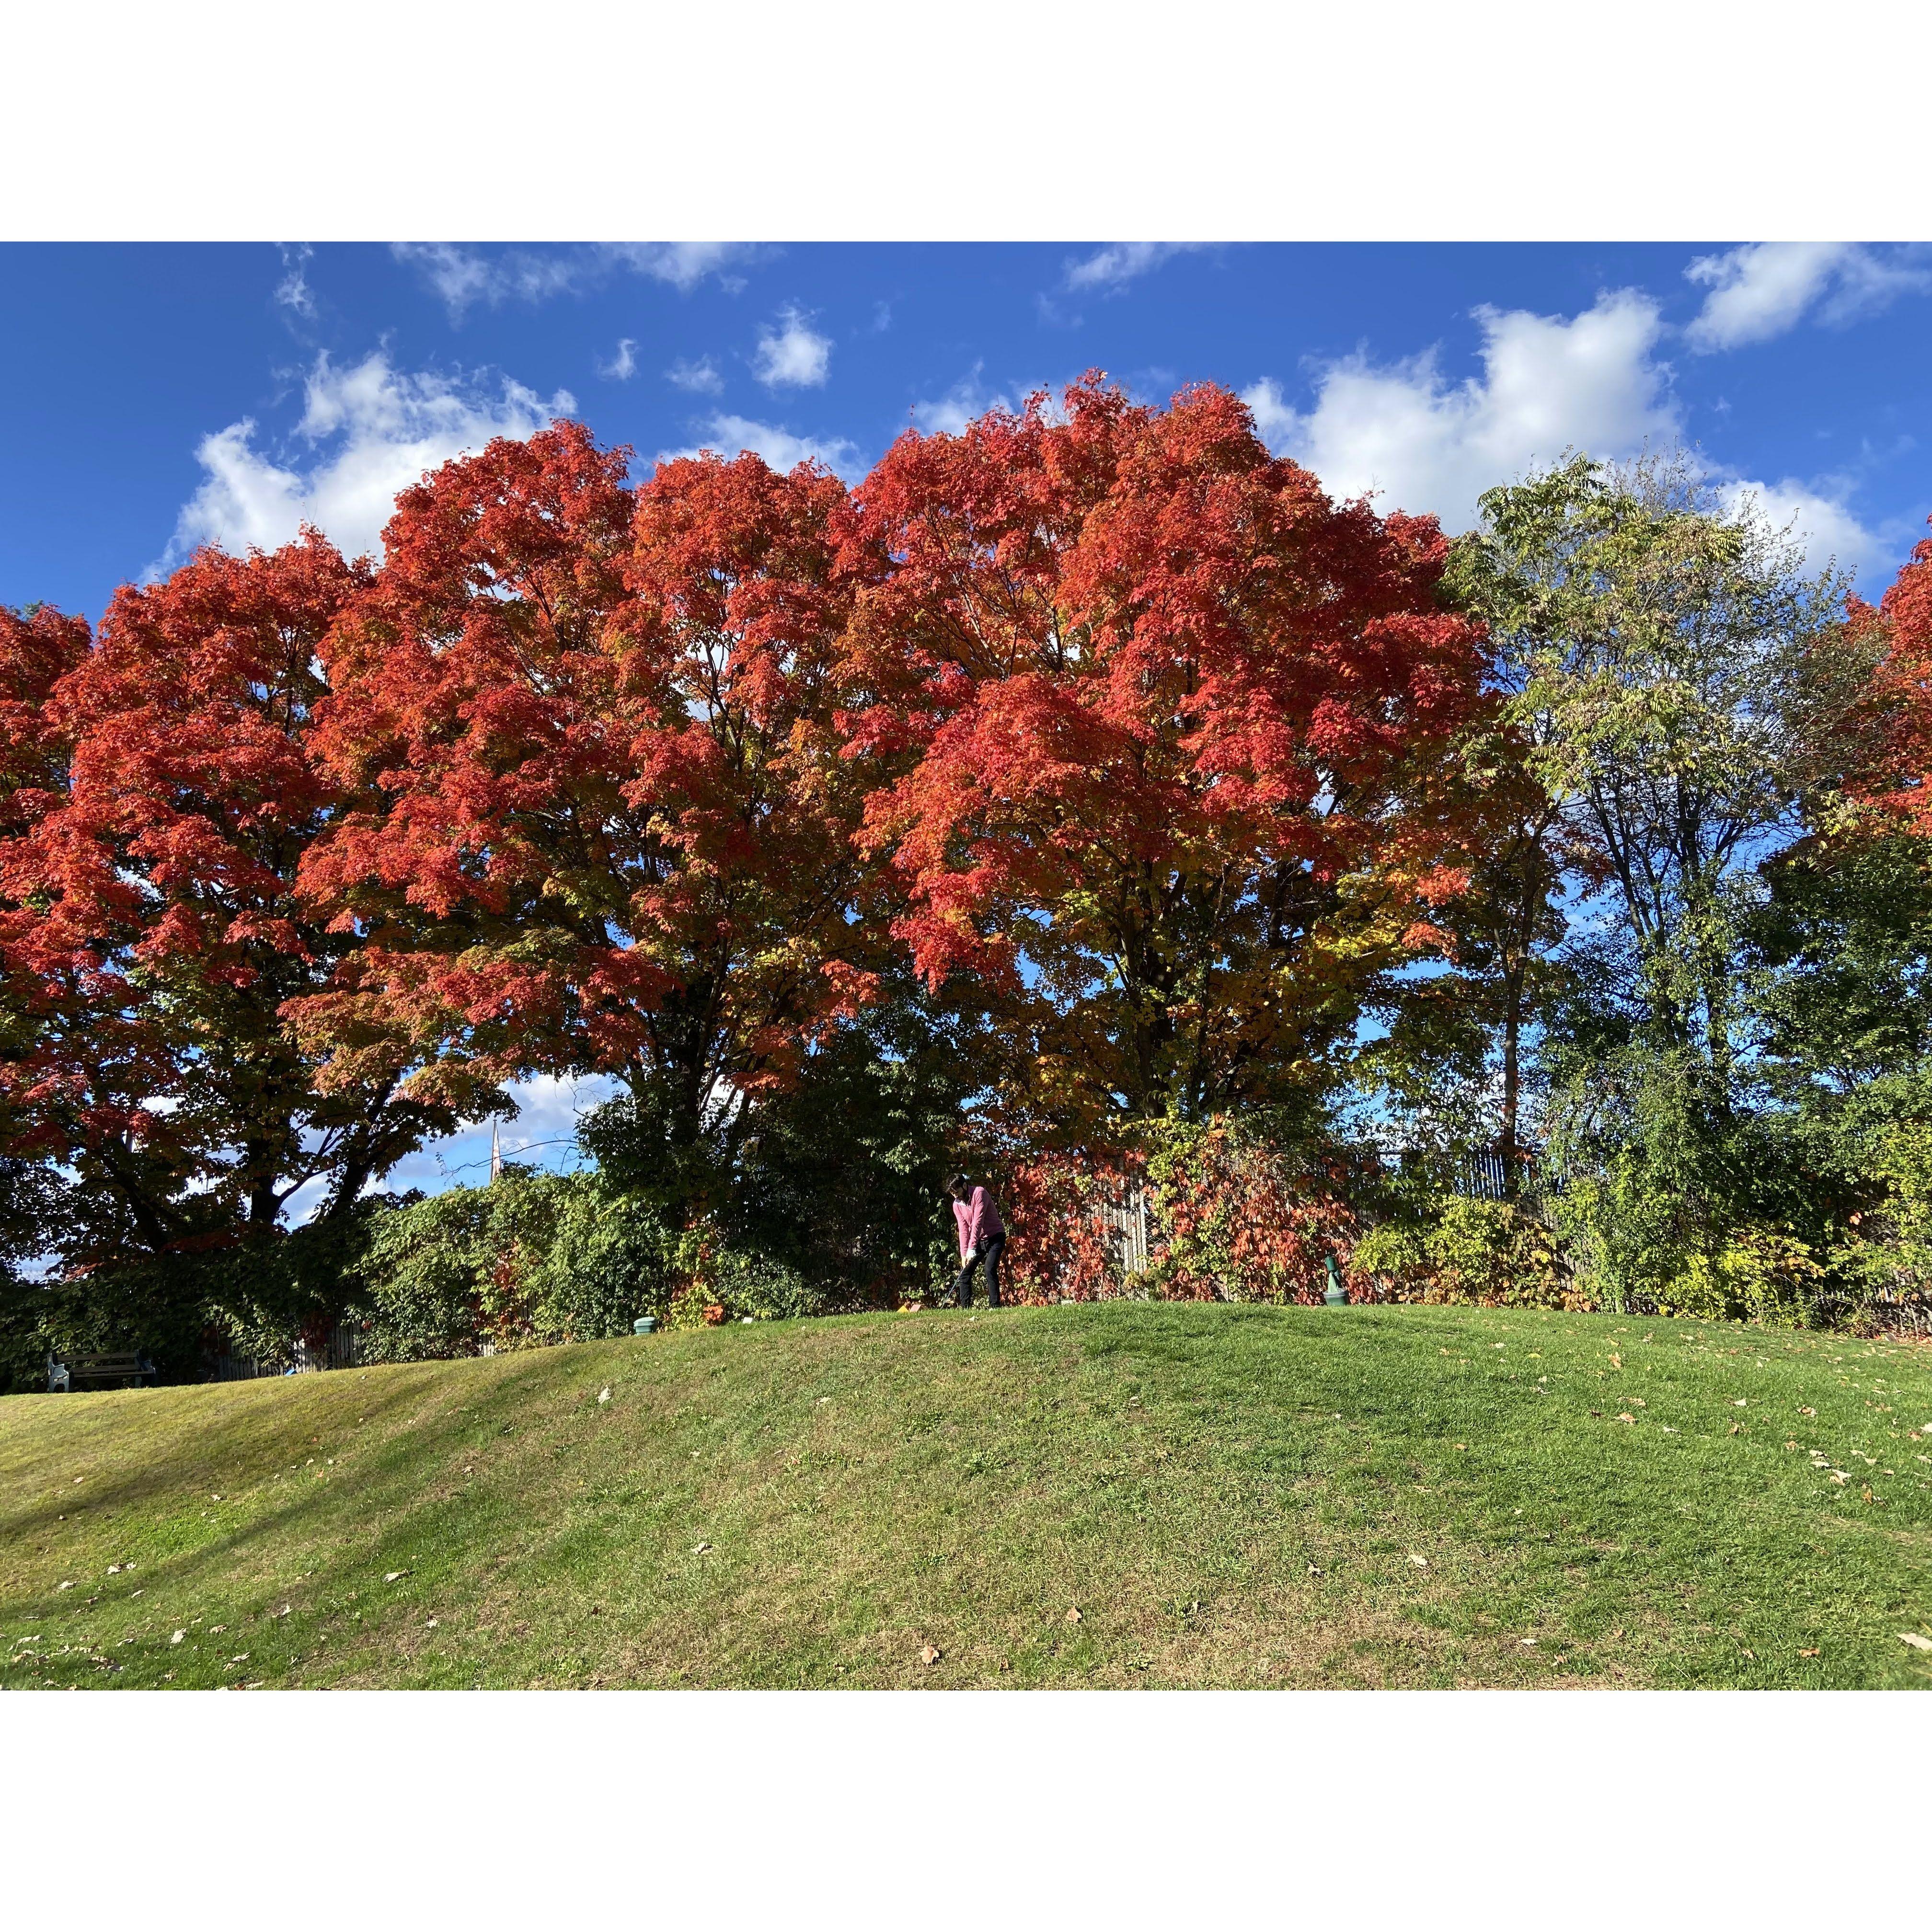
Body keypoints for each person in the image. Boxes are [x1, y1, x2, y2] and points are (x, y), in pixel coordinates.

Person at [947, 1173, 1006, 1309]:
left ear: (964, 1185)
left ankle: (995, 1306)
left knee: (989, 1268)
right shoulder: (957, 1205)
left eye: (957, 1192)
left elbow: (977, 1222)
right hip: (979, 1240)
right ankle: (965, 1308)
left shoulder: (980, 1193)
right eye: (953, 1194)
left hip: (996, 1236)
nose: (956, 1196)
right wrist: (964, 1254)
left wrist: (972, 1248)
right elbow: (963, 1229)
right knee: (965, 1272)